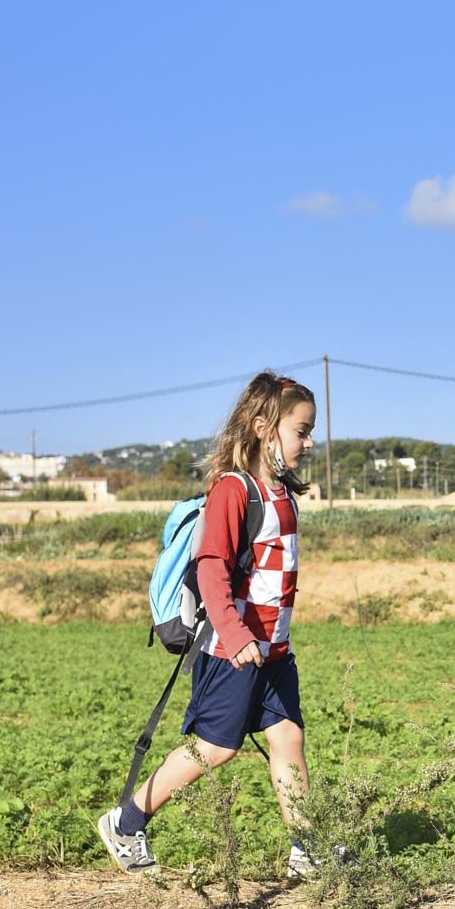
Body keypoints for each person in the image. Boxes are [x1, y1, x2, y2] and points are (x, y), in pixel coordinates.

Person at [96, 370, 320, 877]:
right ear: (265, 427)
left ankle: (307, 849)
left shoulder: (282, 493)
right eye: (301, 430)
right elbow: (212, 568)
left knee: (288, 738)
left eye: (310, 432)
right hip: (231, 649)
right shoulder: (233, 491)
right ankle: (126, 822)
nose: (309, 442)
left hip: (273, 652)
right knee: (214, 748)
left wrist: (268, 642)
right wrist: (238, 636)